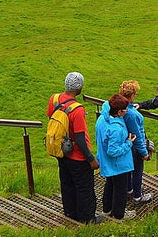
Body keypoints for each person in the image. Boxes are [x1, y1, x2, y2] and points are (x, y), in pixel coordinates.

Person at [47, 72, 100, 224]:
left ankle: (70, 213)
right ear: (79, 88)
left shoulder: (54, 99)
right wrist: (90, 159)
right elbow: (80, 139)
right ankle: (87, 219)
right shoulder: (77, 109)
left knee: (67, 184)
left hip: (61, 152)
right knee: (85, 188)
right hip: (77, 156)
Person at [96, 94, 136, 221]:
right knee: (120, 188)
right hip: (118, 164)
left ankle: (107, 209)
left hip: (107, 162)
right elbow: (112, 151)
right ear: (119, 112)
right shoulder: (115, 129)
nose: (127, 111)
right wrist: (128, 143)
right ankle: (119, 214)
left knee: (110, 184)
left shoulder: (102, 118)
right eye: (125, 109)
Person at [117, 80, 152, 205]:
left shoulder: (122, 109)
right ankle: (138, 196)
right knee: (137, 171)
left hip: (126, 145)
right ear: (132, 95)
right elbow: (136, 135)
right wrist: (144, 152)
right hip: (134, 148)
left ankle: (129, 189)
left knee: (129, 170)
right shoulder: (131, 115)